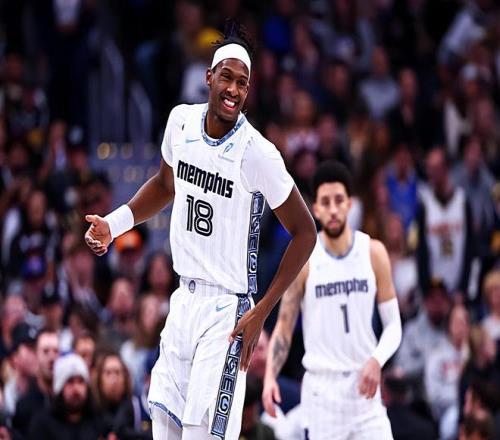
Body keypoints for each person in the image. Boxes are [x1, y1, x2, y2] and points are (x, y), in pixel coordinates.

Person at [84, 21, 316, 440]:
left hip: (227, 310)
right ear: (209, 77)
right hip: (183, 300)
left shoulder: (258, 153)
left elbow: (305, 232)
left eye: (242, 83)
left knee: (200, 432)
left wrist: (262, 309)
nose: (233, 89)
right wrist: (114, 224)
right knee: (163, 425)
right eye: (226, 77)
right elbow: (164, 185)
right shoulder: (181, 122)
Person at [263, 161, 402, 439]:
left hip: (364, 388)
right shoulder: (304, 260)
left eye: (339, 200)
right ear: (315, 209)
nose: (333, 209)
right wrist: (269, 378)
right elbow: (284, 327)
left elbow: (394, 326)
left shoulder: (373, 252)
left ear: (350, 204)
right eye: (325, 202)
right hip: (322, 394)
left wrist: (377, 360)